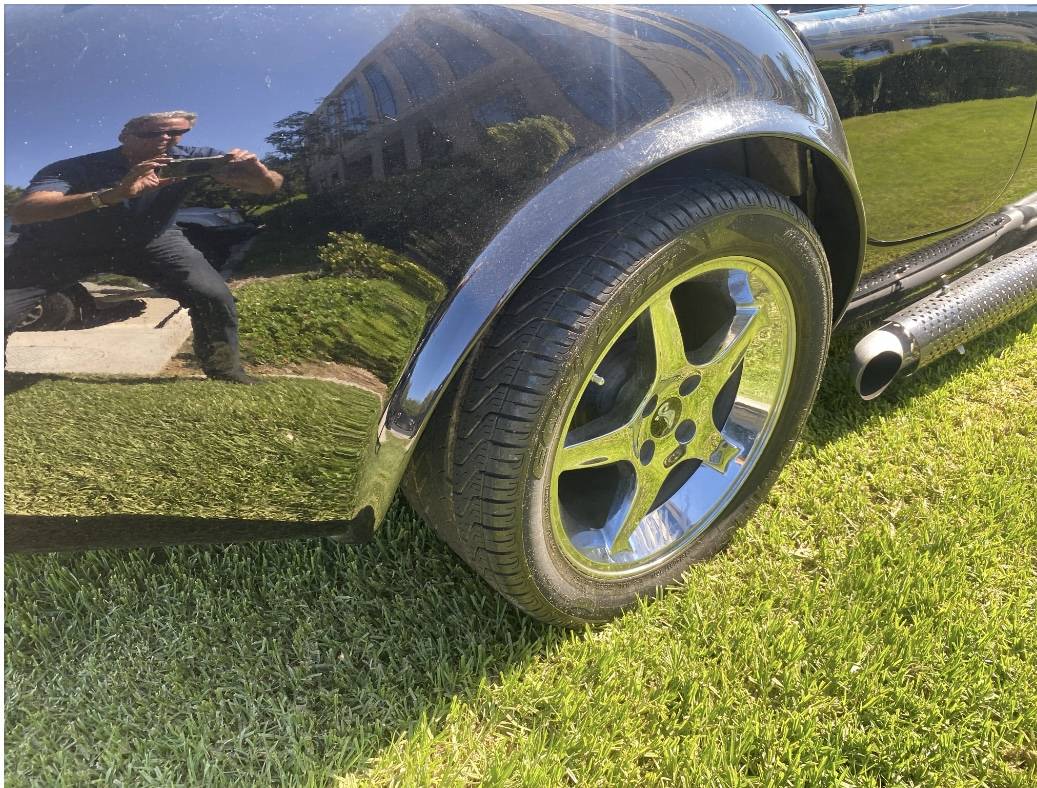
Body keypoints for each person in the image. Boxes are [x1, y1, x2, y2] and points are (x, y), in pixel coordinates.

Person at [4, 110, 283, 383]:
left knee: (212, 295)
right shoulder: (74, 167)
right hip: (59, 247)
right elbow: (26, 211)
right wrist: (112, 195)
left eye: (176, 132)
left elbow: (269, 187)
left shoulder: (194, 159)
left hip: (149, 240)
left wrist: (260, 174)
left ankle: (224, 371)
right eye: (151, 132)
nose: (165, 139)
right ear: (124, 136)